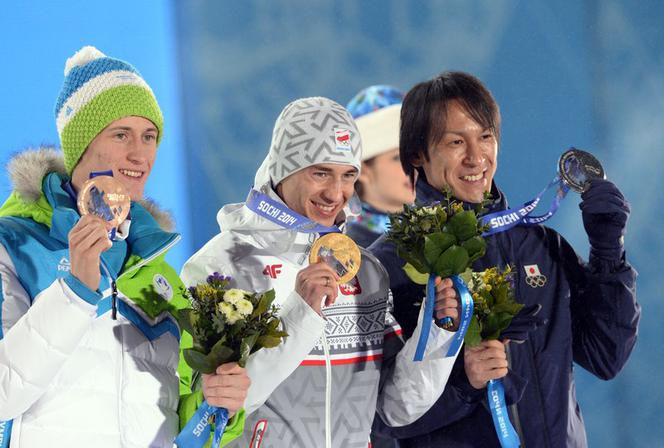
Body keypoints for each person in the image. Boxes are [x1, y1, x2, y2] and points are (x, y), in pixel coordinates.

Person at [369, 71, 641, 447]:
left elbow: (605, 356)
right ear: (417, 153)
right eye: (455, 142)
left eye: (485, 136)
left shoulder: (542, 248)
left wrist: (608, 253)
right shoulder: (388, 265)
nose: (476, 157)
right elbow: (374, 420)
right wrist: (464, 384)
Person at [0, 46, 248, 447]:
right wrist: (75, 291)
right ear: (80, 144)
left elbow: (177, 422)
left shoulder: (158, 274)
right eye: (121, 135)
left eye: (149, 136)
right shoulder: (13, 246)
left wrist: (216, 404)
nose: (140, 154)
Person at [181, 97, 462, 447]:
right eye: (320, 173)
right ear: (284, 169)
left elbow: (396, 408)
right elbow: (209, 412)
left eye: (347, 176)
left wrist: (436, 332)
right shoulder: (222, 266)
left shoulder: (366, 272)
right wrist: (300, 312)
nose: (335, 193)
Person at [345, 85, 415, 248]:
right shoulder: (348, 251)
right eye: (398, 157)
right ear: (362, 169)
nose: (415, 166)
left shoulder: (441, 233)